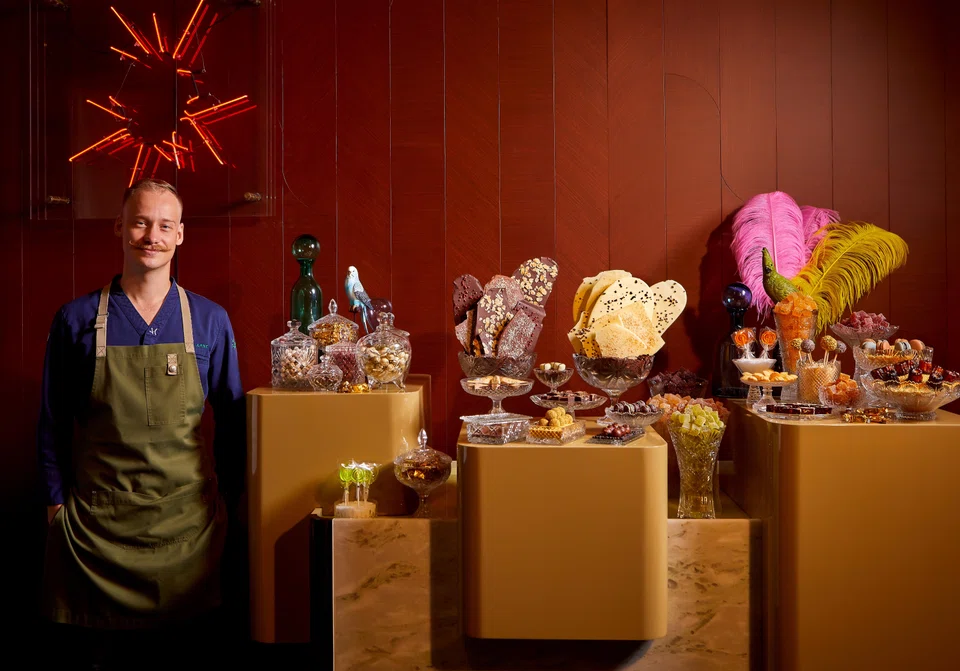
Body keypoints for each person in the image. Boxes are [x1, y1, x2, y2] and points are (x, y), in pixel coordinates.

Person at [38, 179, 246, 668]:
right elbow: (51, 422)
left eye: (164, 225)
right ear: (119, 227)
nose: (151, 235)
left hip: (188, 530)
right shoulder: (75, 320)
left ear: (180, 236)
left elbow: (234, 422)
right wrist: (53, 503)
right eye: (140, 221)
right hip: (95, 530)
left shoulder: (211, 321)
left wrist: (229, 503)